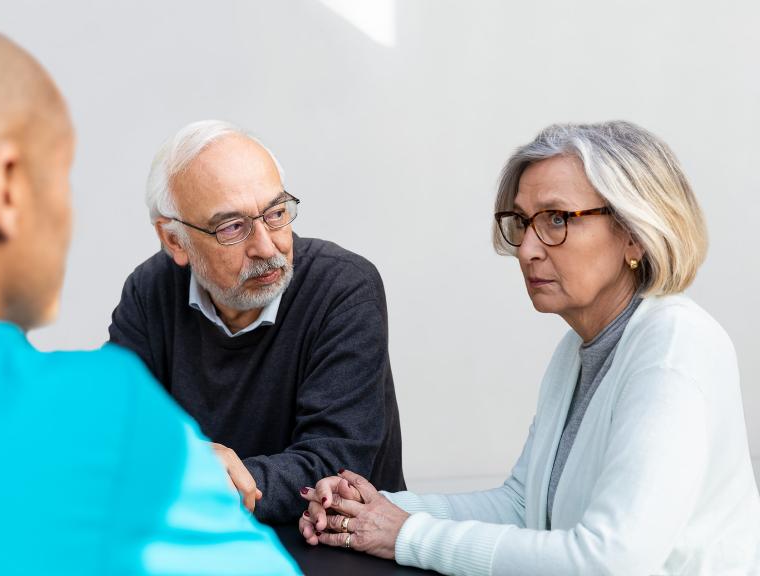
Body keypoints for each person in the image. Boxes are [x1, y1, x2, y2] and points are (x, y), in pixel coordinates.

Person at [0, 7, 299, 575]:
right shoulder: (96, 419)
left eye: (274, 215)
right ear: (5, 189)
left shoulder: (340, 283)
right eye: (60, 178)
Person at [299, 121, 760, 575]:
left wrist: (404, 535)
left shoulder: (676, 346)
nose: (526, 251)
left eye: (557, 219)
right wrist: (371, 508)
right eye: (522, 223)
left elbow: (611, 561)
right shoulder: (577, 348)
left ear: (634, 233)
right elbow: (524, 506)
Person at [109, 120, 406, 523]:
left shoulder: (343, 287)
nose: (267, 246)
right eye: (232, 227)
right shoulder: (150, 291)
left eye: (276, 212)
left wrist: (206, 479)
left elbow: (337, 469)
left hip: (332, 551)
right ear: (174, 241)